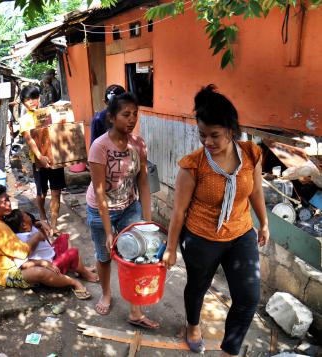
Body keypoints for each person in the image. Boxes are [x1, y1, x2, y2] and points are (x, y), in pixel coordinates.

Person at [162, 85, 269, 356]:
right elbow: (178, 212)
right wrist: (171, 248)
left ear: (231, 130)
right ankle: (192, 325)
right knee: (198, 286)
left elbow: (255, 190)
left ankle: (228, 351)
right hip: (200, 238)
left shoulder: (251, 154)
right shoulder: (193, 165)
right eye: (202, 134)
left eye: (215, 135)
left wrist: (264, 222)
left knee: (248, 297)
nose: (207, 141)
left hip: (241, 232)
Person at [86, 92, 159, 329]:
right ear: (111, 117)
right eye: (126, 114)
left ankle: (135, 311)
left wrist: (147, 222)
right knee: (104, 256)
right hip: (100, 209)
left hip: (129, 207)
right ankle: (106, 294)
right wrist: (109, 231)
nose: (132, 119)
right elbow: (99, 191)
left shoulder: (138, 144)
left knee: (137, 255)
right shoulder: (100, 147)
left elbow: (144, 182)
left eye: (135, 114)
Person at [0, 185, 91, 299]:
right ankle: (73, 282)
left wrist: (38, 223)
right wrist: (38, 237)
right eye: (4, 202)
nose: (8, 204)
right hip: (6, 273)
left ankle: (80, 269)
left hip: (20, 261)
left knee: (63, 241)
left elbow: (22, 222)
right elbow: (23, 253)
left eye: (8, 199)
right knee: (40, 273)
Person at [19, 85, 66, 234]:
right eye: (27, 99)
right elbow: (29, 139)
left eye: (34, 97)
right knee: (42, 193)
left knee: (56, 192)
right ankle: (42, 214)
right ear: (23, 102)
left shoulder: (48, 113)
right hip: (38, 161)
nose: (32, 101)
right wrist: (40, 157)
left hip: (55, 160)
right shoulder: (25, 119)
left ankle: (53, 224)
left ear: (39, 97)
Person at [4, 209, 99, 282]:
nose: (29, 215)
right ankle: (84, 273)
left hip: (52, 254)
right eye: (26, 215)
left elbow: (37, 225)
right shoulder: (22, 239)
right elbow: (23, 264)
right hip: (52, 265)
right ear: (23, 224)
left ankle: (77, 267)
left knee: (64, 237)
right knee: (73, 251)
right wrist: (42, 263)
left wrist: (41, 223)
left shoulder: (29, 227)